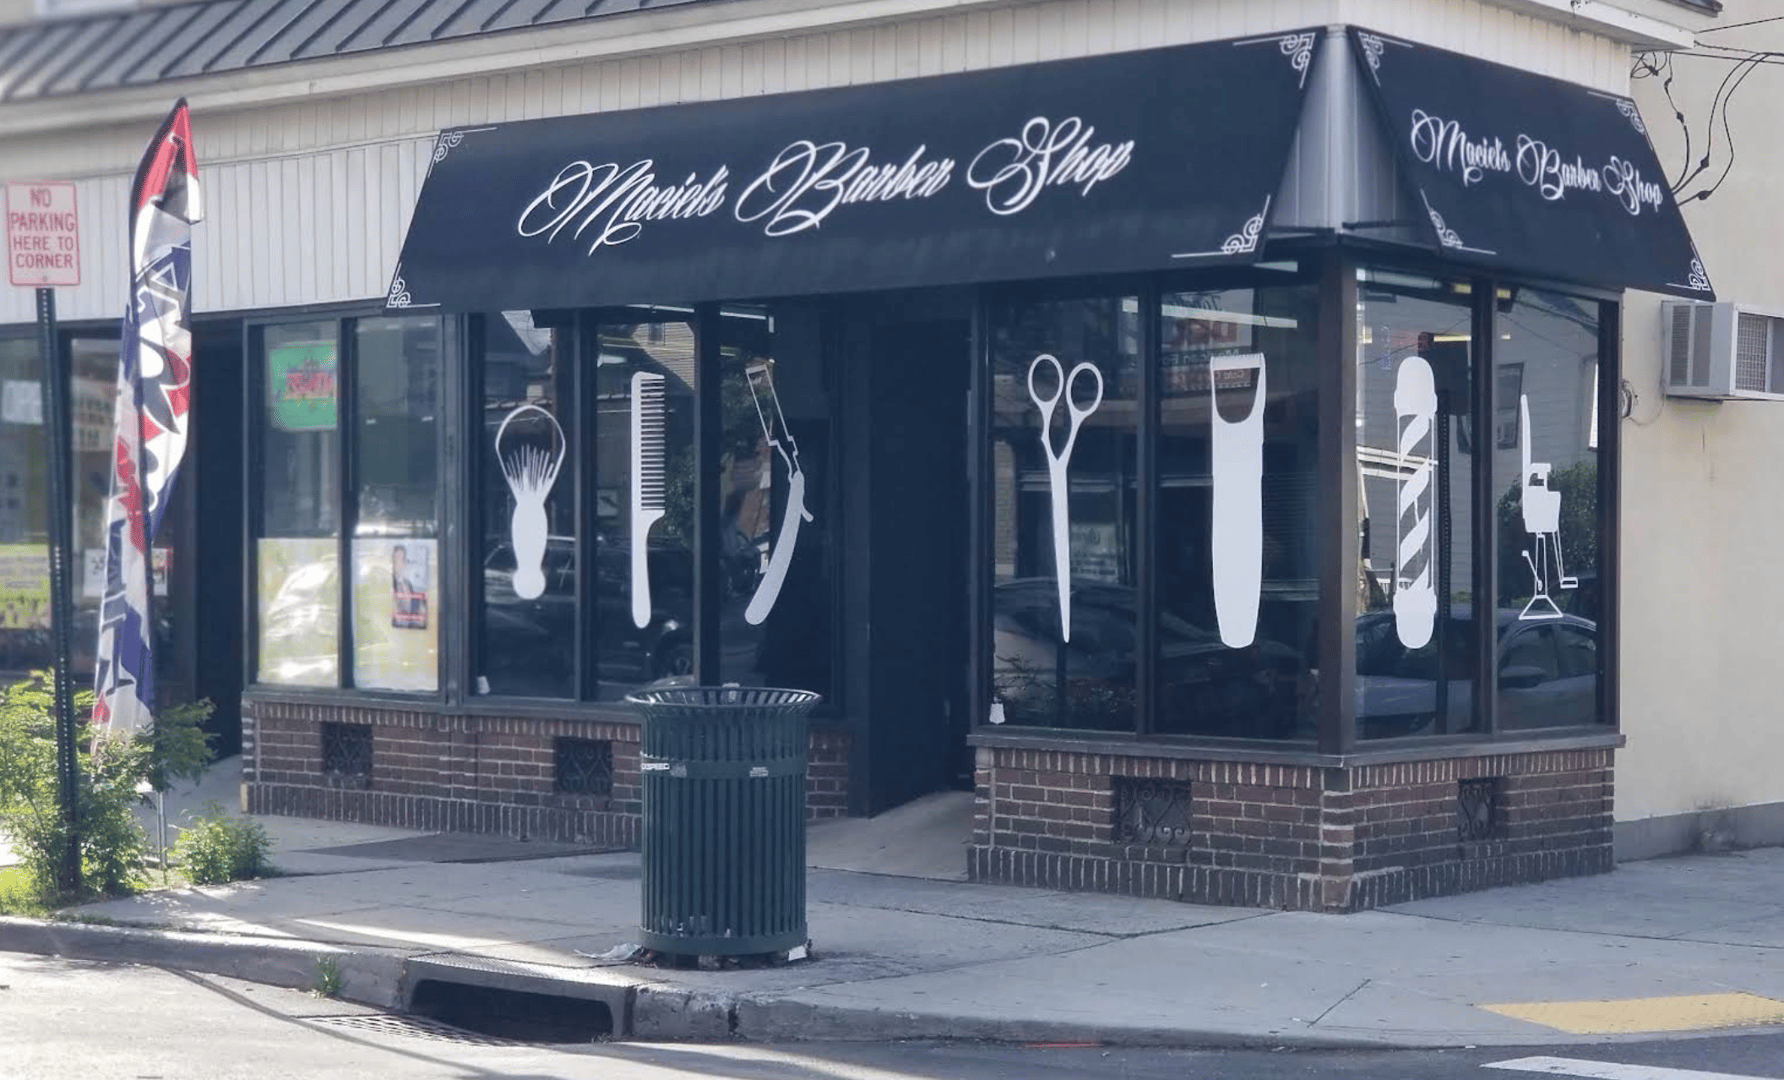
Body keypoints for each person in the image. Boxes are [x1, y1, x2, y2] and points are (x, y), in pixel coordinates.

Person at [391, 544, 426, 629]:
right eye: (397, 557)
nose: (400, 561)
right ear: (393, 559)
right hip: (396, 627)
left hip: (410, 626)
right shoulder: (389, 580)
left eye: (402, 558)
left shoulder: (409, 582)